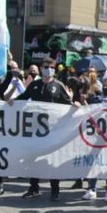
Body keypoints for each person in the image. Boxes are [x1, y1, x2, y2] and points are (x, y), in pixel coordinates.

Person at [16, 57, 72, 201]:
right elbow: (23, 97)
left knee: (52, 160)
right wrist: (10, 103)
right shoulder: (34, 85)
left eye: (52, 67)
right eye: (46, 67)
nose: (49, 70)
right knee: (32, 158)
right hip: (36, 130)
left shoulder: (59, 86)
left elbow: (68, 104)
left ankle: (55, 190)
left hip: (53, 131)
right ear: (41, 69)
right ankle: (34, 188)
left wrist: (75, 105)